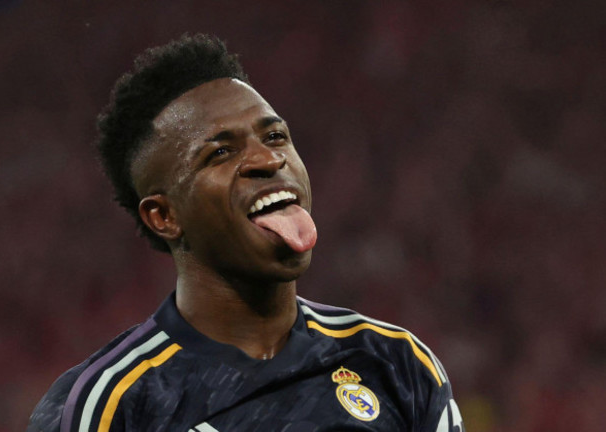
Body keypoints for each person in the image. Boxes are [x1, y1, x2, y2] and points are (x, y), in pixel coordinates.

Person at [27, 34, 464, 432]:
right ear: (164, 216)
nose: (267, 159)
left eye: (275, 136)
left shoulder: (395, 364)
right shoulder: (111, 405)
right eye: (221, 152)